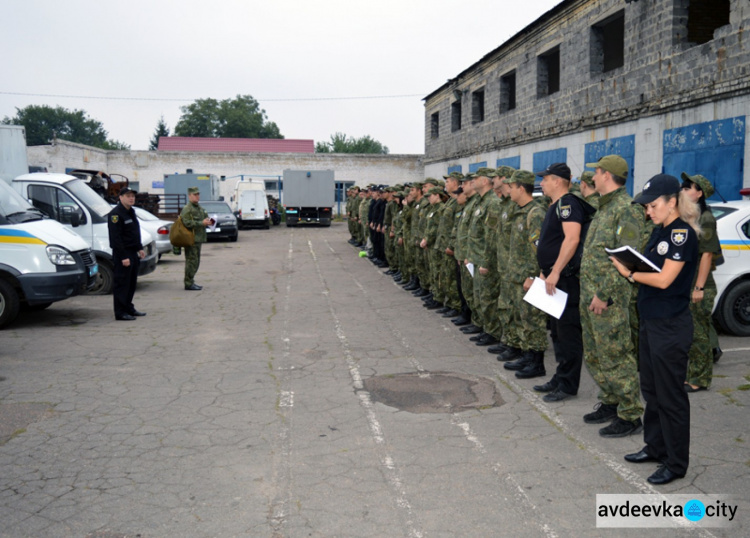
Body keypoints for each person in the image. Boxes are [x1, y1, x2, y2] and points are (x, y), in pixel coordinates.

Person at [611, 174, 700, 485]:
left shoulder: (681, 235)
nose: (648, 212)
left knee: (670, 396)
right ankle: (655, 446)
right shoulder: (660, 231)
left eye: (652, 206)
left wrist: (629, 274)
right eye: (647, 207)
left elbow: (664, 279)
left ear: (671, 202)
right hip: (651, 322)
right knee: (651, 390)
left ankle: (676, 464)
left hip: (670, 326)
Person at [580, 155, 645, 438]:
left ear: (606, 175)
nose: (592, 176)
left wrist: (604, 294)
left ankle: (630, 414)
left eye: (596, 171)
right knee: (596, 354)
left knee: (616, 355)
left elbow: (626, 259)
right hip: (590, 295)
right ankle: (611, 400)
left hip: (609, 298)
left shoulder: (627, 210)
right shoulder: (603, 208)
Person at [534, 163, 595, 401]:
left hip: (566, 280)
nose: (542, 183)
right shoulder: (556, 205)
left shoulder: (568, 204)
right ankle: (560, 377)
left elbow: (571, 239)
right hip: (553, 277)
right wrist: (545, 271)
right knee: (557, 333)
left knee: (568, 334)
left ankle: (568, 385)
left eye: (545, 179)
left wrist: (556, 271)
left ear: (558, 180)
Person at [681, 172, 722, 392]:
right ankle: (692, 373)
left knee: (699, 333)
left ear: (699, 193)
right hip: (688, 283)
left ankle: (699, 379)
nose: (684, 190)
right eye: (683, 186)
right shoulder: (688, 216)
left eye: (689, 187)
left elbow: (707, 255)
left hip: (700, 284)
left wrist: (699, 287)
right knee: (692, 332)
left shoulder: (706, 218)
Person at [107, 187, 147, 321]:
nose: (131, 198)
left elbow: (134, 232)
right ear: (121, 197)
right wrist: (123, 256)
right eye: (128, 196)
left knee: (131, 283)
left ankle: (129, 307)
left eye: (133, 196)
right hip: (122, 254)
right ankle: (120, 312)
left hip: (132, 252)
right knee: (122, 284)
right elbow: (115, 239)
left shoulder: (131, 212)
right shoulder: (115, 214)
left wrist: (140, 248)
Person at [181, 186, 211, 291]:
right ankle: (188, 283)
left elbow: (203, 220)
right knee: (191, 261)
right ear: (189, 196)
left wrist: (208, 222)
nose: (197, 196)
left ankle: (191, 281)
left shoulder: (199, 208)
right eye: (195, 194)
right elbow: (187, 223)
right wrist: (201, 223)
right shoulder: (187, 209)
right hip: (191, 239)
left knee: (196, 262)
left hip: (198, 239)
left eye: (198, 194)